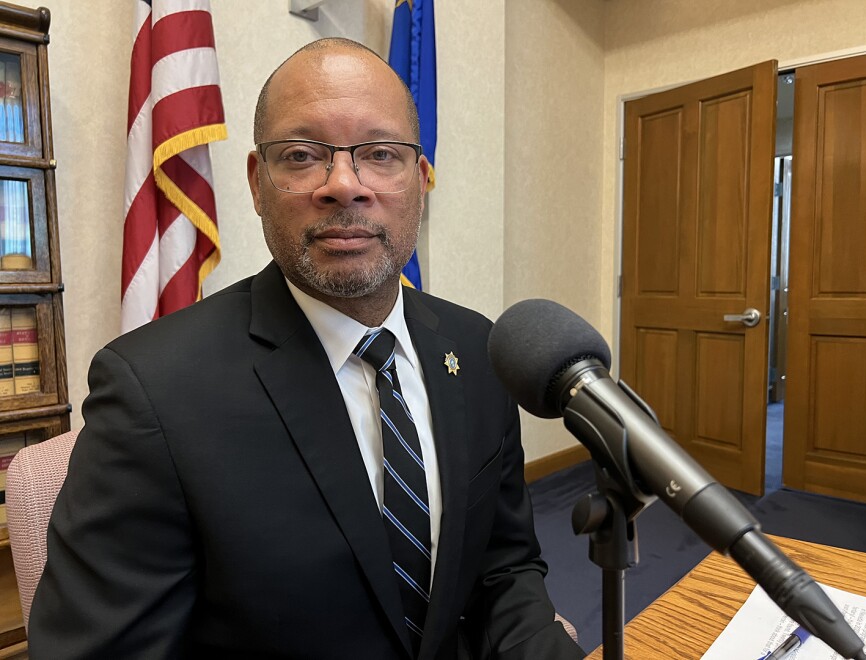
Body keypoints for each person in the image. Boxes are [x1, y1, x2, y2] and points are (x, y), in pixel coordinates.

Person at [28, 38, 586, 659]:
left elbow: (502, 568)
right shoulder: (153, 391)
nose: (344, 185)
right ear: (256, 183)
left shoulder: (480, 348)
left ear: (421, 179)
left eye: (381, 154)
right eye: (301, 156)